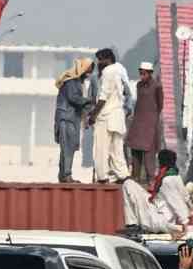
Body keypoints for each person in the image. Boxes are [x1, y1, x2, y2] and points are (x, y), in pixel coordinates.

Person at [87, 48, 131, 183]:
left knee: (101, 148)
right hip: (118, 115)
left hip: (105, 116)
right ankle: (123, 175)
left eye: (100, 59)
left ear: (108, 59)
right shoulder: (121, 69)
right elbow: (128, 92)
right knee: (117, 148)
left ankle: (102, 177)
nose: (99, 62)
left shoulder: (107, 71)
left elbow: (103, 96)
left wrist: (93, 115)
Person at [122, 149, 190, 233]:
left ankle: (132, 224)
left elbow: (176, 201)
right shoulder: (176, 176)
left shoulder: (167, 180)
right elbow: (185, 196)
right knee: (134, 187)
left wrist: (184, 223)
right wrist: (190, 210)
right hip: (162, 215)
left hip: (158, 219)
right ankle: (133, 225)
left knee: (128, 183)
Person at [54, 58, 93, 183]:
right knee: (68, 147)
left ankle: (63, 175)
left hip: (69, 118)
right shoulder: (72, 81)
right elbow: (73, 98)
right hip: (67, 118)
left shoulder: (75, 82)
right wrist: (88, 101)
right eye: (88, 71)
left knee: (66, 147)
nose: (88, 75)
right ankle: (67, 175)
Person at [128, 62, 164, 183]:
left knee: (149, 152)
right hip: (138, 121)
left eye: (144, 72)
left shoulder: (157, 86)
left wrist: (153, 117)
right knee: (135, 150)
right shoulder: (138, 85)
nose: (141, 74)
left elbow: (160, 105)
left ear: (150, 73)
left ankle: (150, 178)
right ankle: (135, 176)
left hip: (150, 122)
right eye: (140, 72)